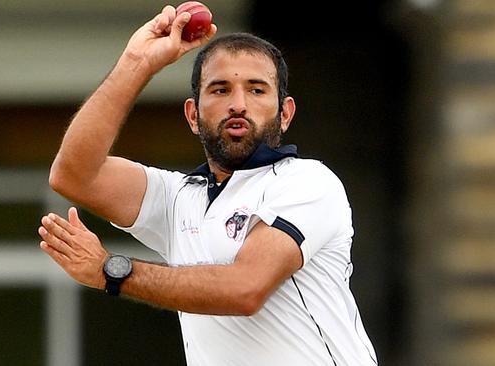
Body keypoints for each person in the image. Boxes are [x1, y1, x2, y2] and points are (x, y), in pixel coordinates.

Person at [37, 4, 378, 366]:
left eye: (257, 90)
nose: (239, 104)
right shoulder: (178, 198)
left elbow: (245, 289)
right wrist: (137, 63)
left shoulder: (308, 181)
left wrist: (112, 271)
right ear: (193, 116)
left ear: (286, 113)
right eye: (220, 90)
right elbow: (74, 174)